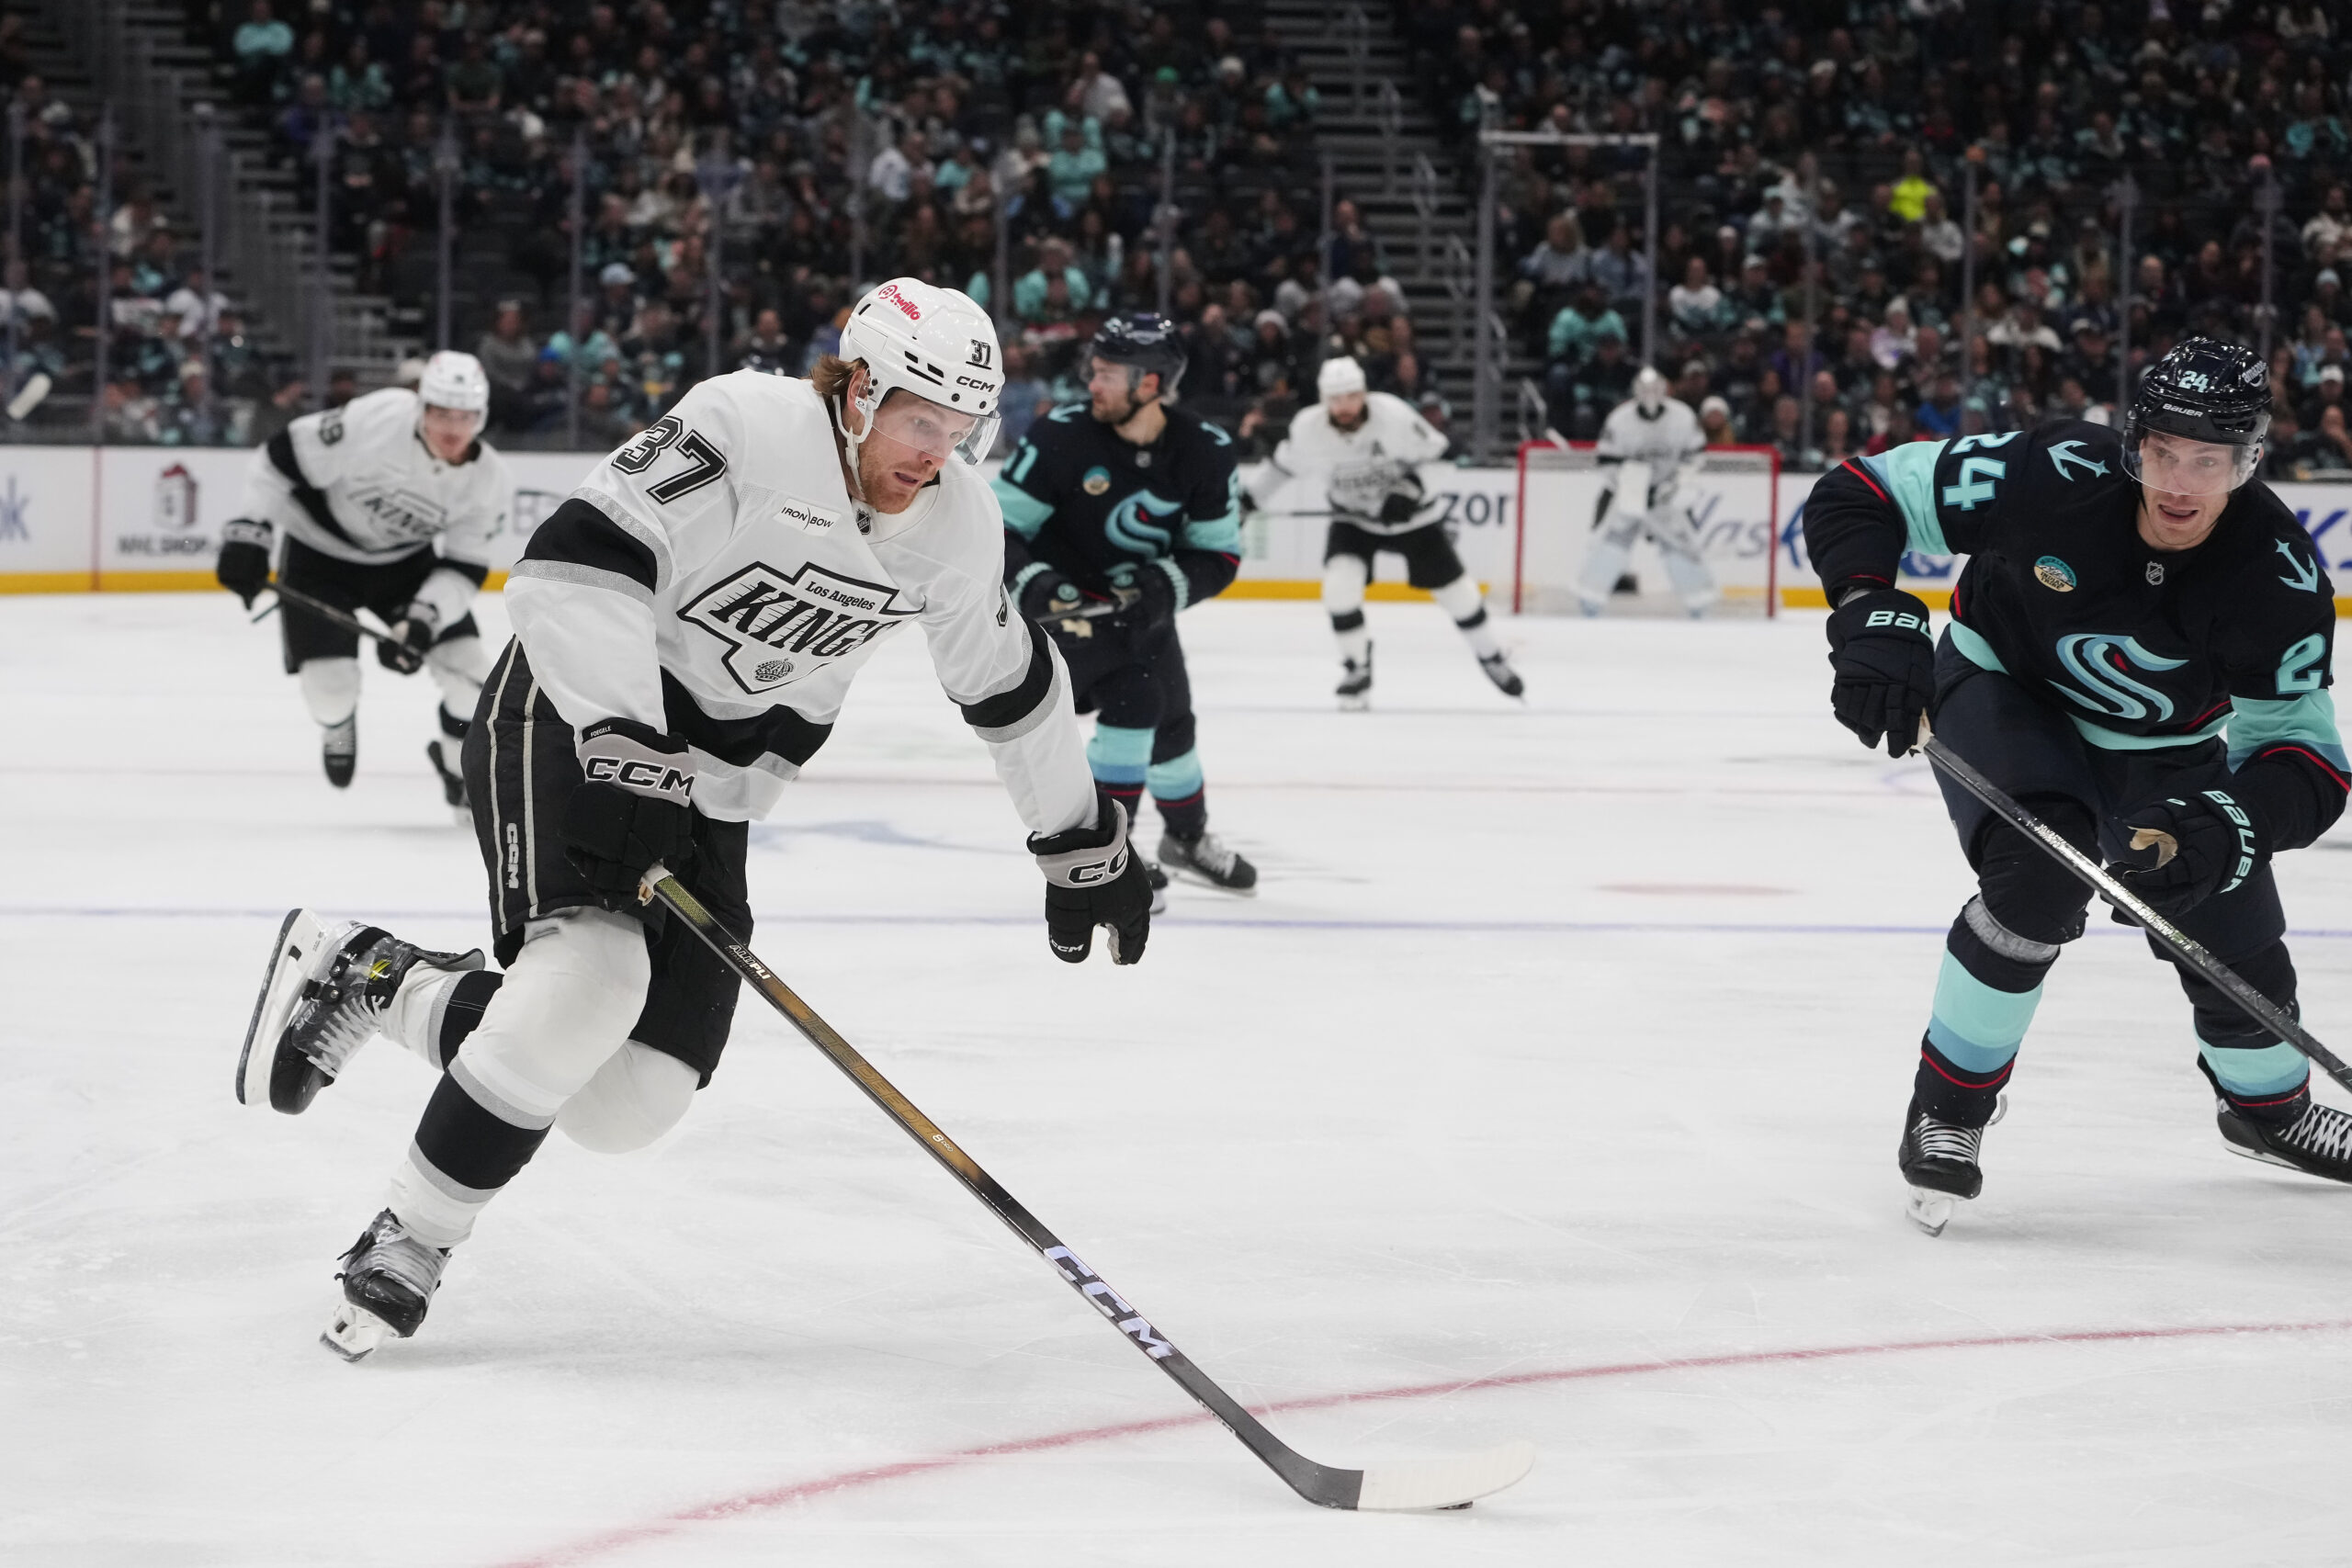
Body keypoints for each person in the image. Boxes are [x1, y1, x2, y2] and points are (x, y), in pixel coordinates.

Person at [234, 278, 1154, 1359]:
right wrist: (626, 749)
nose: (936, 450)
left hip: (710, 789)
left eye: (961, 428)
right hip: (579, 716)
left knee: (629, 1103)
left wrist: (1080, 841)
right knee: (590, 985)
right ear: (857, 388)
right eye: (919, 418)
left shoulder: (953, 522)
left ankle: (377, 978)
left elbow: (1007, 681)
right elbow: (580, 562)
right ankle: (409, 1239)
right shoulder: (746, 426)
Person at [1803, 338, 2350, 1234]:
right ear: (2132, 440)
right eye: (2163, 452)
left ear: (2249, 459)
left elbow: (2306, 755)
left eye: (2208, 460)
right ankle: (1949, 1107)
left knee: (2228, 917)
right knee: (2036, 875)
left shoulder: (2277, 576)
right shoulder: (2048, 471)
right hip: (2002, 690)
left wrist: (2229, 822)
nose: (2179, 483)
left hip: (2166, 748)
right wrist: (1872, 609)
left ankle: (2268, 1107)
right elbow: (1863, 492)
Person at [991, 313, 1258, 897]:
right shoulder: (1059, 437)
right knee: (1136, 701)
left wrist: (1163, 585)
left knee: (1174, 727)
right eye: (1095, 370)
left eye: (1108, 374)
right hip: (1066, 619)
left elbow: (1219, 557)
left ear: (1151, 384)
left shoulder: (1204, 450)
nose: (1092, 383)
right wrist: (1037, 585)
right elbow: (996, 532)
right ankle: (1116, 855)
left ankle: (1185, 839)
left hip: (1144, 618)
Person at [214, 351, 510, 807]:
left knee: (471, 674)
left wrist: (422, 619)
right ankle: (337, 724)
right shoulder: (378, 419)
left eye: (465, 417)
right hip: (318, 555)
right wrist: (249, 531)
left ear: (481, 417)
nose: (452, 430)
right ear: (420, 407)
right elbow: (279, 459)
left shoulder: (488, 479)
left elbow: (465, 565)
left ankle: (458, 774)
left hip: (404, 566)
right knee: (331, 691)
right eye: (440, 414)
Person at [1248, 355, 1522, 709]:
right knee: (1339, 588)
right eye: (1334, 398)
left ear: (1363, 393)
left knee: (1458, 595)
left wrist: (1410, 489)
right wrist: (1247, 500)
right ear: (1323, 399)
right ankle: (1356, 668)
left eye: (1350, 396)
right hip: (1354, 519)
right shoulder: (1307, 429)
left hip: (1413, 519)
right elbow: (1280, 468)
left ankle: (1491, 657)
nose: (1343, 406)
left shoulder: (1393, 417)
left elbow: (1444, 456)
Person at [1577, 366, 1716, 617]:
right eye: (1645, 389)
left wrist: (1675, 485)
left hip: (1666, 496)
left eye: (1655, 389)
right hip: (1630, 496)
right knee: (1612, 543)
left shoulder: (1682, 416)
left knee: (1679, 545)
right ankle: (1590, 599)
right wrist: (1629, 483)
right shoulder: (1619, 419)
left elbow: (1695, 457)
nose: (1650, 395)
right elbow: (1606, 462)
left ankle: (1700, 603)